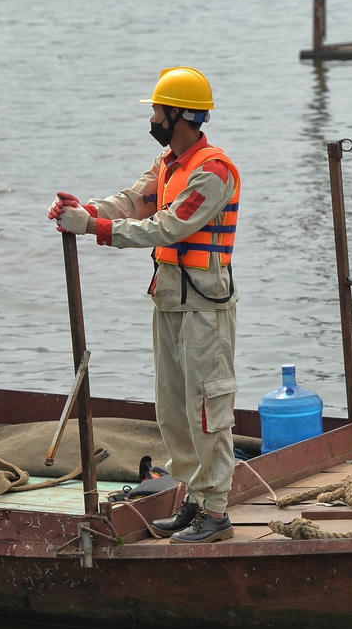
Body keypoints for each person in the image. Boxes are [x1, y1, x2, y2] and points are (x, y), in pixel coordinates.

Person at [46, 67, 241, 545]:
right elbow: (134, 201)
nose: (152, 117)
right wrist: (87, 210)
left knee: (206, 409)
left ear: (179, 114)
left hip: (206, 309)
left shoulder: (213, 172)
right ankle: (195, 501)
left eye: (157, 109)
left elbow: (166, 226)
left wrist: (93, 230)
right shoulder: (168, 163)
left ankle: (216, 513)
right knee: (173, 410)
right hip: (171, 302)